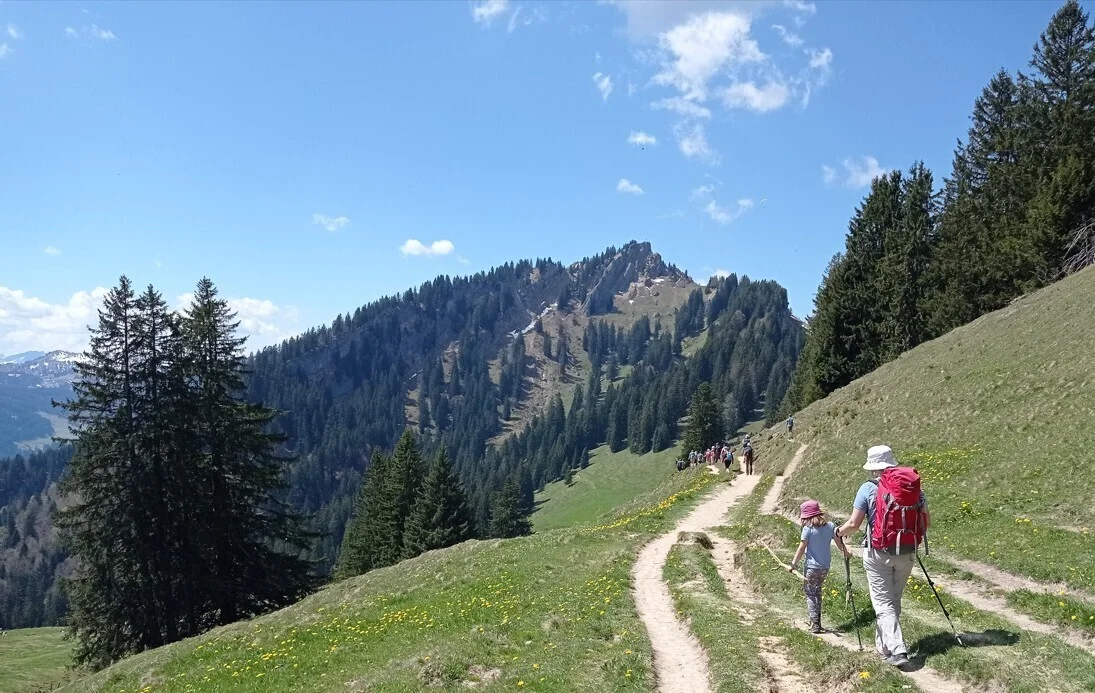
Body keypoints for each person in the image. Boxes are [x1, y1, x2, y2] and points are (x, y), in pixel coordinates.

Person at [836, 445, 929, 669]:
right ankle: (884, 649)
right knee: (892, 601)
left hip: (878, 552)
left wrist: (837, 532)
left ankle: (898, 650)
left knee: (883, 603)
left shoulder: (867, 488)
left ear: (873, 467)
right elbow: (926, 522)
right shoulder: (914, 488)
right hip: (907, 552)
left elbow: (854, 524)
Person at [790, 500, 850, 633]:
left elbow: (801, 548)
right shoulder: (830, 526)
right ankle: (817, 622)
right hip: (825, 567)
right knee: (817, 592)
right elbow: (839, 543)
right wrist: (846, 553)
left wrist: (793, 564)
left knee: (811, 594)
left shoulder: (808, 529)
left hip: (811, 567)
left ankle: (815, 623)